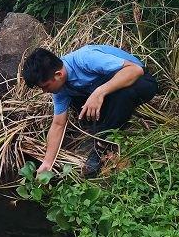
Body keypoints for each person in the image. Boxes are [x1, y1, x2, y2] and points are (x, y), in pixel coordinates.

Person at [22, 45, 158, 177]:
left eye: (45, 86)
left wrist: (99, 92)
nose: (45, 91)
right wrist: (47, 162)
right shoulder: (60, 89)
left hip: (139, 81)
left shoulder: (86, 58)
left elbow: (135, 70)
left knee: (122, 95)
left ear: (59, 74)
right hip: (109, 94)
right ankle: (103, 127)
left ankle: (100, 146)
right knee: (80, 101)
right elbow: (58, 124)